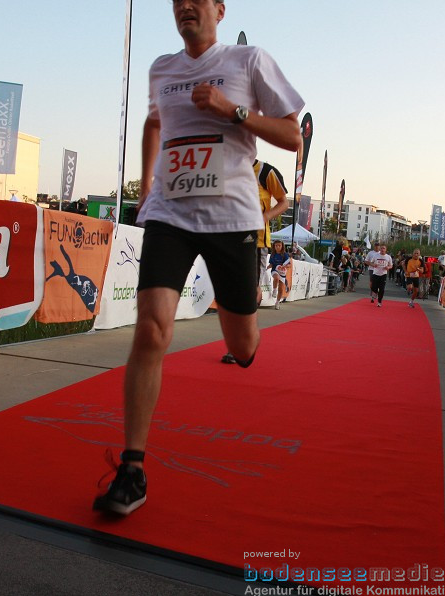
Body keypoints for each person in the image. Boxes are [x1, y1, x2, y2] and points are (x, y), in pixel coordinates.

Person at [93, 0, 303, 516]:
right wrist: (146, 184)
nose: (184, 5)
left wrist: (231, 111)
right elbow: (152, 125)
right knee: (151, 328)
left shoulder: (250, 61)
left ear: (218, 8)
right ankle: (133, 468)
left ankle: (244, 306)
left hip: (232, 218)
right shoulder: (162, 69)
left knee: (243, 345)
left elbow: (294, 137)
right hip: (170, 214)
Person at [222, 158, 289, 364]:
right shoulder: (226, 167)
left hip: (257, 242)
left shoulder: (265, 171)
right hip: (232, 237)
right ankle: (241, 342)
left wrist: (265, 217)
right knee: (234, 292)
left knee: (251, 291)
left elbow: (284, 202)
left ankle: (243, 343)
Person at [364, 243, 393, 307]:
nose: (382, 249)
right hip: (376, 273)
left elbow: (391, 265)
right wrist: (373, 265)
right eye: (381, 248)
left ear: (386, 250)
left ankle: (379, 302)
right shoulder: (375, 255)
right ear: (380, 249)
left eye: (384, 248)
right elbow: (371, 262)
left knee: (382, 289)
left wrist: (388, 267)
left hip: (383, 274)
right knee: (373, 287)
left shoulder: (388, 257)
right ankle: (376, 292)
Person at [268, 239, 291, 309]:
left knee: (281, 289)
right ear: (274, 246)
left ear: (282, 246)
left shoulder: (285, 255)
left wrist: (285, 266)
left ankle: (277, 302)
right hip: (274, 271)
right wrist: (268, 266)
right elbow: (271, 264)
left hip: (282, 273)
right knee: (276, 278)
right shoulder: (272, 255)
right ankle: (274, 290)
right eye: (276, 245)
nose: (277, 247)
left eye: (279, 245)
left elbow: (289, 265)